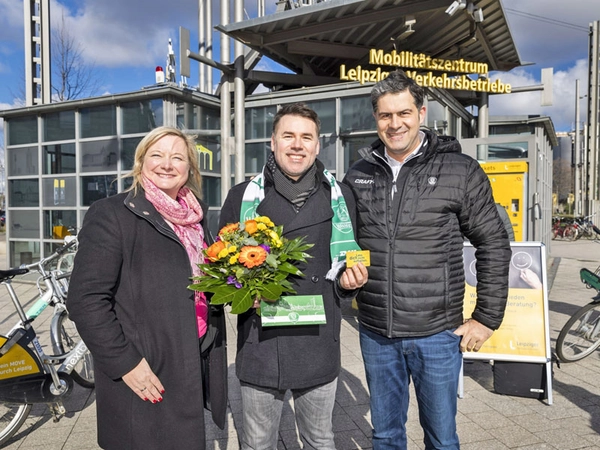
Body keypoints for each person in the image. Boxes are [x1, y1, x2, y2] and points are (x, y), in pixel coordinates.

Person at [342, 70, 511, 450]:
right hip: (376, 332)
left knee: (441, 438)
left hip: (437, 333)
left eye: (403, 113)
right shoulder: (358, 174)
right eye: (385, 116)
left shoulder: (460, 170)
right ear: (376, 119)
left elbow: (493, 243)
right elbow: (349, 242)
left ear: (421, 112)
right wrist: (344, 279)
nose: (395, 123)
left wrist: (486, 318)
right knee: (385, 436)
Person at [66, 126, 227, 450]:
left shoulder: (195, 219)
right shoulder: (112, 214)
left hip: (193, 361)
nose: (167, 164)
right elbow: (85, 300)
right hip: (146, 368)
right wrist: (126, 363)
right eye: (157, 155)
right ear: (140, 163)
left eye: (177, 157)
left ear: (189, 170)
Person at [219, 102, 368, 450]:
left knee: (319, 439)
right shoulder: (243, 196)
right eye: (288, 136)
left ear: (318, 145)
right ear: (272, 142)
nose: (297, 145)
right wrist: (240, 287)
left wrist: (350, 284)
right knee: (257, 443)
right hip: (260, 341)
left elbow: (347, 258)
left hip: (317, 339)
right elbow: (221, 266)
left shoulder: (340, 196)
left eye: (306, 137)